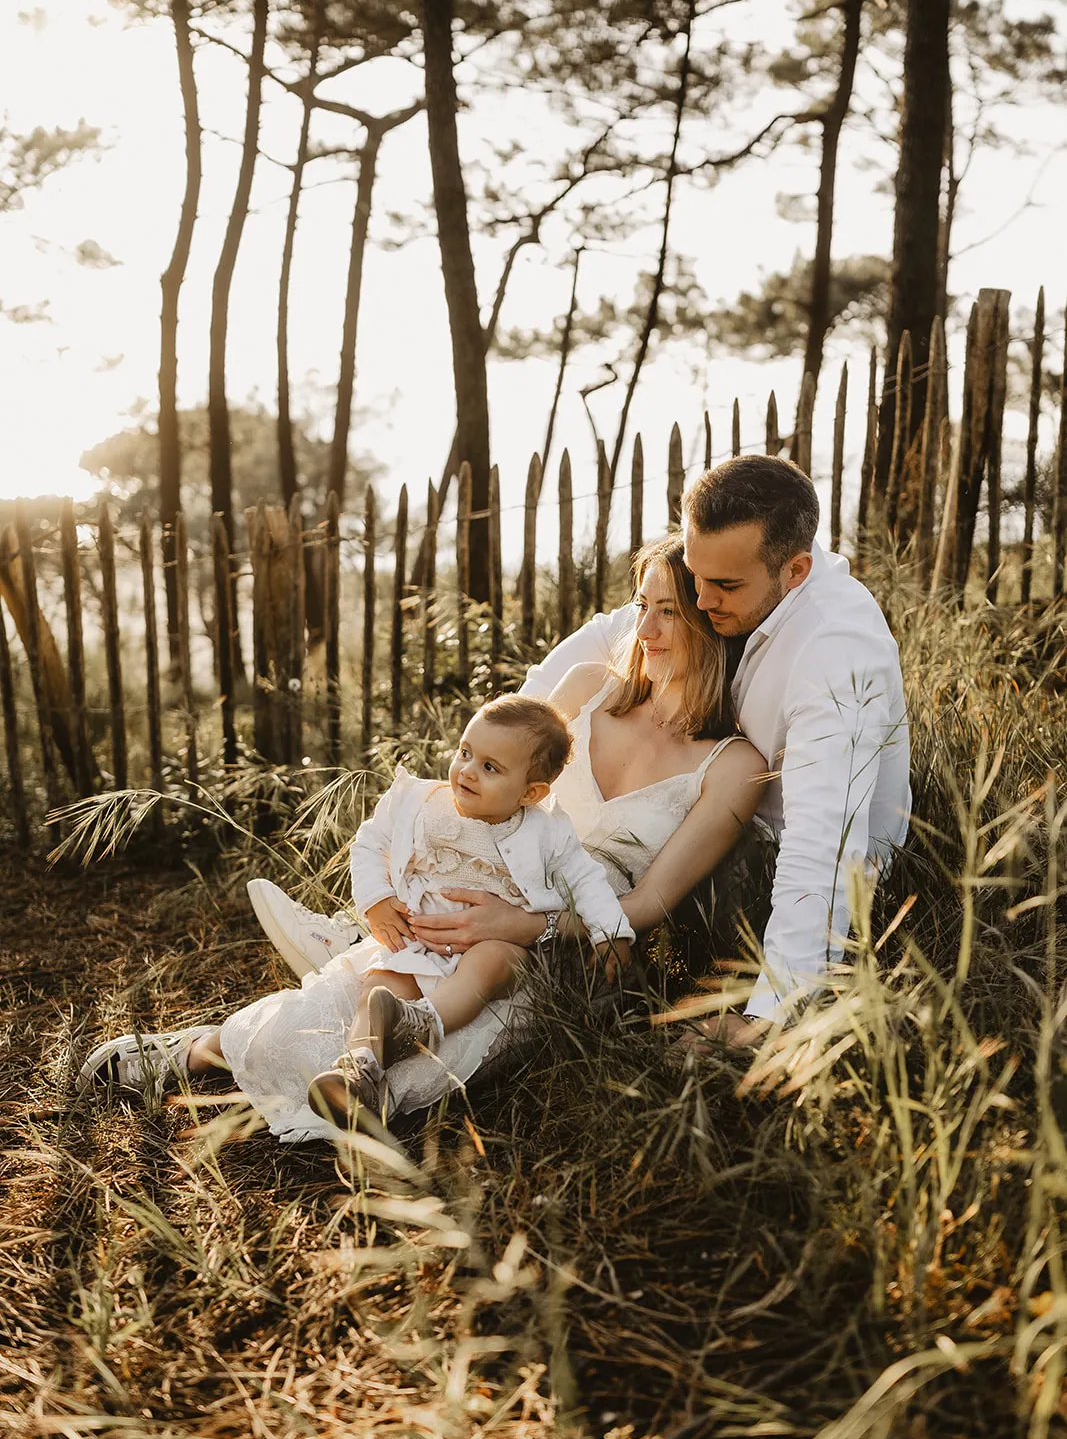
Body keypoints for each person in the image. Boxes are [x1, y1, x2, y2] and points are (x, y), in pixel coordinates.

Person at [78, 537, 766, 1138]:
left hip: (565, 949)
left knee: (417, 1072)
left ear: (711, 614)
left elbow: (646, 904)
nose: (643, 629)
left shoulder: (732, 766)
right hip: (475, 886)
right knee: (364, 989)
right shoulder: (590, 688)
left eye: (667, 611)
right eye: (640, 605)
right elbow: (486, 776)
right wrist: (420, 875)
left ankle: (287, 1061)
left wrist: (520, 925)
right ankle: (201, 1050)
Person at [79, 695, 634, 1134]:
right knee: (379, 988)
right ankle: (358, 1067)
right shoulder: (421, 801)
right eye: (465, 752)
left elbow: (587, 882)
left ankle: (423, 1023)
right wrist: (375, 899)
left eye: (490, 767)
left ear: (531, 793)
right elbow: (370, 844)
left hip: (491, 950)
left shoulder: (547, 832)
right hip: (417, 943)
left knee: (495, 958)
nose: (466, 770)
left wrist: (611, 932)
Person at [523, 455, 911, 1037]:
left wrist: (770, 1020)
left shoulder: (835, 653)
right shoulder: (726, 588)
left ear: (795, 571)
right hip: (710, 831)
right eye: (694, 575)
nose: (701, 602)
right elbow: (606, 639)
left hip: (781, 872)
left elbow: (825, 850)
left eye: (723, 586)